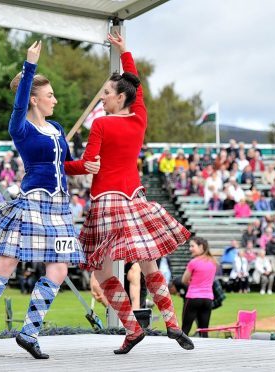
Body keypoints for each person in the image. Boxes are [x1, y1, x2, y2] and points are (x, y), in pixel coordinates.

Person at [0, 41, 101, 359]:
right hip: (34, 202)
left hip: (61, 208)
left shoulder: (58, 128)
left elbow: (65, 164)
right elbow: (19, 104)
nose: (56, 100)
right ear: (34, 99)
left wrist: (85, 166)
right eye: (50, 95)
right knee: (6, 262)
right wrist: (30, 65)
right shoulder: (20, 127)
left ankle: (29, 332)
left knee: (60, 269)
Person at [70, 32, 193, 354]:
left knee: (101, 269)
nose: (103, 98)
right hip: (135, 199)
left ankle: (132, 327)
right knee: (149, 263)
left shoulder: (101, 124)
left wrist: (57, 164)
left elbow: (87, 165)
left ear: (119, 98)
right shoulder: (139, 119)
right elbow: (137, 87)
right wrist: (125, 53)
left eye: (107, 93)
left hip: (107, 202)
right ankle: (172, 323)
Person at [181, 238, 217, 337]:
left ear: (201, 247)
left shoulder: (193, 262)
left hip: (193, 298)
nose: (190, 248)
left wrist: (192, 281)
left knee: (185, 329)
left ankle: (180, 350)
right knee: (204, 330)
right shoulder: (213, 262)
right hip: (208, 299)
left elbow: (184, 280)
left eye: (192, 246)